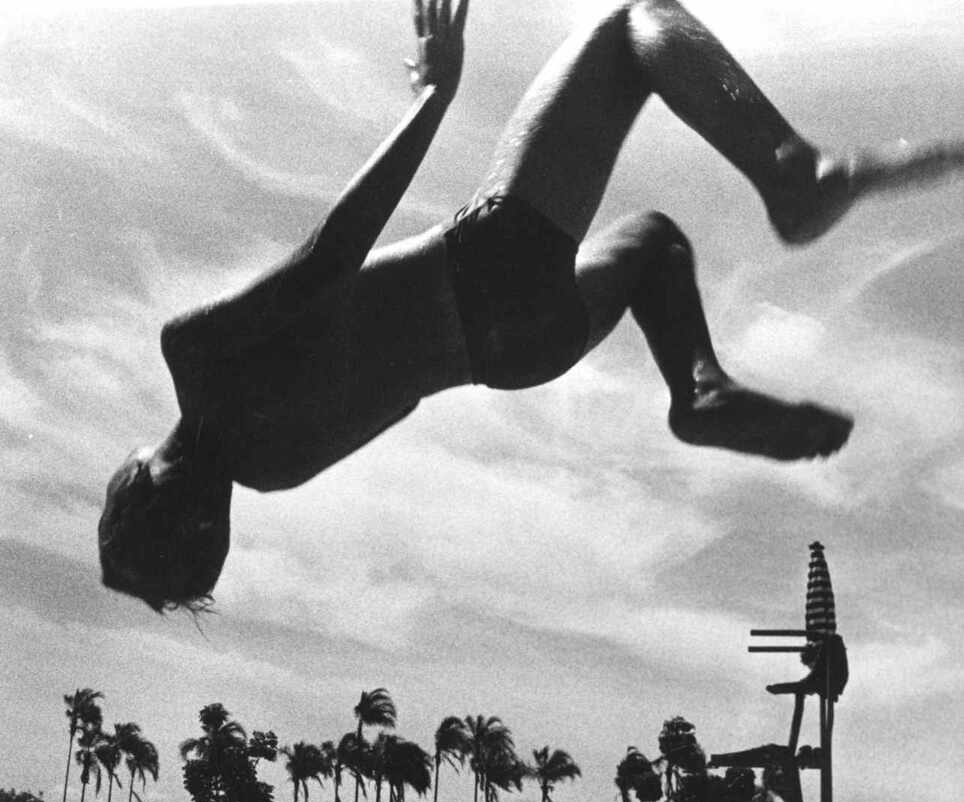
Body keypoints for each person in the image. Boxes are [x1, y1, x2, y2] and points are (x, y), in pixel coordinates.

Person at [96, 0, 964, 613]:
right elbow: (330, 260)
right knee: (633, 26)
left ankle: (698, 386)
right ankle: (791, 173)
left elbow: (385, 374)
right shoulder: (194, 360)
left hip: (516, 356)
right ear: (133, 484)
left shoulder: (274, 468)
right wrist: (437, 94)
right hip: (484, 267)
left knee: (654, 242)